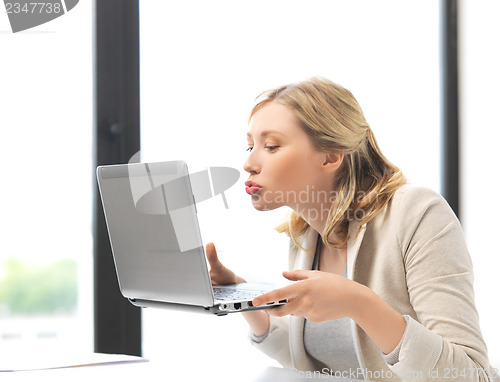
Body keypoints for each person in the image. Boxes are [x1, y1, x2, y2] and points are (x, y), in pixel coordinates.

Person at [205, 77, 498, 381]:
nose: (249, 163)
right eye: (250, 145)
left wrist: (358, 303)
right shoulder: (306, 233)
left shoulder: (418, 212)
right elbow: (320, 362)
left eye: (271, 146)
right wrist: (242, 299)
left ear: (330, 156)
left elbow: (470, 375)